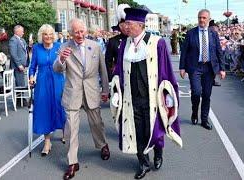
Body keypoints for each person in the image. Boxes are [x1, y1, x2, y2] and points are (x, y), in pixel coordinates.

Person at [110, 8, 182, 179]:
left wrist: (168, 95)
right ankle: (143, 163)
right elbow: (119, 69)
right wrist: (116, 90)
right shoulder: (124, 45)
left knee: (154, 129)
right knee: (137, 131)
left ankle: (158, 154)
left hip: (152, 97)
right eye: (126, 23)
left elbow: (166, 70)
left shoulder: (157, 42)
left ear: (140, 25)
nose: (126, 27)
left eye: (129, 24)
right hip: (131, 98)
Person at [53, 18, 110, 180]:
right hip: (73, 92)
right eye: (76, 32)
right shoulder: (64, 47)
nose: (79, 35)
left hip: (91, 91)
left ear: (86, 31)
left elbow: (103, 70)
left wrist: (105, 90)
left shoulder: (96, 46)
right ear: (70, 34)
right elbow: (57, 69)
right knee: (71, 129)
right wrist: (61, 59)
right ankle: (72, 162)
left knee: (96, 123)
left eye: (82, 31)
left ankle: (102, 145)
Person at [179, 9, 226, 130]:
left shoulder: (213, 34)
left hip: (209, 68)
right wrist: (182, 67)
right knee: (196, 92)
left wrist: (222, 68)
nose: (201, 20)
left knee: (206, 94)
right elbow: (184, 51)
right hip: (195, 67)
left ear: (209, 19)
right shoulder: (191, 33)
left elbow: (219, 51)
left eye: (204, 18)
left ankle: (204, 119)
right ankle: (194, 112)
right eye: (200, 17)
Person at [28, 24, 66, 156]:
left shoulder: (59, 46)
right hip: (43, 82)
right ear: (41, 36)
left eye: (50, 34)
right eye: (45, 34)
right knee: (44, 109)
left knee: (60, 106)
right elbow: (32, 67)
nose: (48, 36)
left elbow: (66, 63)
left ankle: (64, 130)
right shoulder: (37, 48)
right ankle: (47, 141)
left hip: (58, 80)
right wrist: (31, 77)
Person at [105, 3, 130, 82]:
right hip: (120, 77)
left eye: (128, 24)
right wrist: (110, 80)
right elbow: (108, 62)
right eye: (123, 25)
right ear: (119, 25)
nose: (126, 27)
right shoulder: (113, 41)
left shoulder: (135, 39)